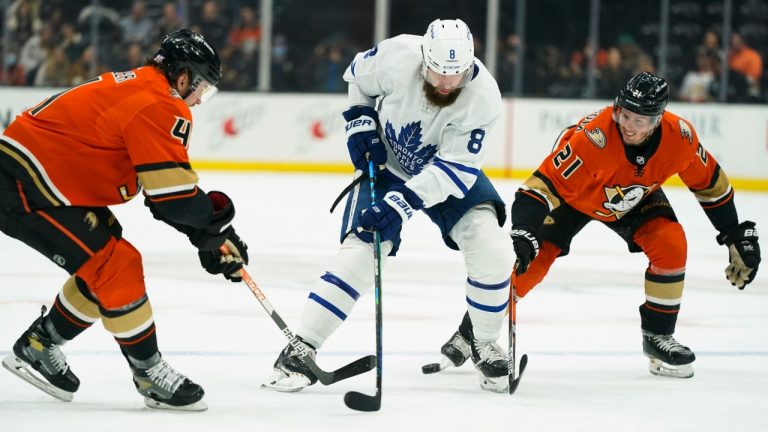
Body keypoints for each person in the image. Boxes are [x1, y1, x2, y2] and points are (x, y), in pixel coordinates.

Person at [435, 71, 761, 379]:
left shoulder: (681, 137)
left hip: (632, 195)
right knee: (530, 265)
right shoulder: (593, 140)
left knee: (671, 243)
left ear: (659, 119)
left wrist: (734, 231)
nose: (629, 126)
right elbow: (538, 189)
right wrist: (524, 233)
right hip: (575, 195)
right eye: (625, 115)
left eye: (641, 120)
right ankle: (471, 332)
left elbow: (710, 183)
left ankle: (658, 337)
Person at [0, 29, 248, 411]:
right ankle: (149, 373)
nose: (199, 100)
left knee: (108, 257)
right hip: (24, 185)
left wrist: (208, 235)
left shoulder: (143, 88)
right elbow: (174, 199)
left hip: (39, 179)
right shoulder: (160, 103)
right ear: (184, 78)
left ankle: (39, 345)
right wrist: (215, 226)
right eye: (202, 89)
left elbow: (163, 195)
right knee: (117, 266)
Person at [262, 18, 514, 393]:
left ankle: (485, 341)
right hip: (386, 165)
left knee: (493, 249)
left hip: (446, 171)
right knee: (364, 248)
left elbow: (454, 170)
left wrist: (403, 203)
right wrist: (359, 121)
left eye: (456, 77)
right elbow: (357, 80)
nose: (446, 85)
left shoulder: (483, 97)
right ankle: (302, 346)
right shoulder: (398, 54)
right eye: (438, 74)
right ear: (423, 58)